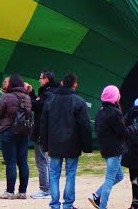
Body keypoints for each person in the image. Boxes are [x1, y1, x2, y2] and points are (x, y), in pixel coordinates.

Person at [40, 73, 93, 209]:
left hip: (54, 144)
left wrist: (45, 144)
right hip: (72, 144)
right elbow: (85, 126)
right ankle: (68, 204)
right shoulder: (79, 101)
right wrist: (87, 146)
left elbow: (43, 125)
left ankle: (55, 204)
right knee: (70, 174)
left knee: (54, 174)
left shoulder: (50, 101)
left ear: (62, 83)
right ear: (75, 85)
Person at [0, 74, 33, 199]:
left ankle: (10, 192)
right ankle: (22, 192)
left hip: (8, 131)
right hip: (23, 132)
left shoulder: (6, 97)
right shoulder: (27, 97)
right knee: (23, 162)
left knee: (10, 162)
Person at [89, 85, 127, 209]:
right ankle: (103, 206)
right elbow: (122, 132)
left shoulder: (100, 111)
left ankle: (97, 194)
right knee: (110, 178)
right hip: (114, 149)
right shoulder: (115, 113)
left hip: (105, 148)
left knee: (119, 176)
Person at [30, 70, 55, 199]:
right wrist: (33, 94)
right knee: (47, 161)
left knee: (42, 161)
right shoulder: (52, 93)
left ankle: (45, 189)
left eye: (40, 78)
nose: (39, 80)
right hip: (49, 131)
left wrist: (30, 94)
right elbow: (36, 104)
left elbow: (35, 106)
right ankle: (49, 188)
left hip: (42, 131)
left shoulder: (47, 94)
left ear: (46, 79)